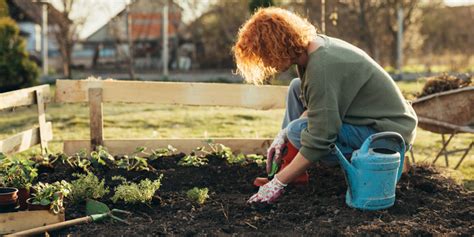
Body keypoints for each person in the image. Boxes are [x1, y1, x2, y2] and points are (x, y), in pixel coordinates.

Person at [232, 7, 418, 204]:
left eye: (265, 55)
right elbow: (317, 105)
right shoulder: (313, 49)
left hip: (388, 136)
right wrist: (282, 135)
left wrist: (277, 183)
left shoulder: (322, 68)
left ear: (277, 46)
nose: (267, 64)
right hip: (373, 122)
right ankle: (293, 171)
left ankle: (287, 175)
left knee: (299, 131)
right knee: (296, 89)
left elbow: (321, 138)